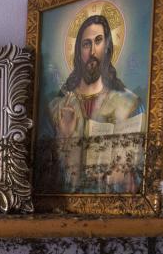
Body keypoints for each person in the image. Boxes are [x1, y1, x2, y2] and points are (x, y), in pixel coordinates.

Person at [43, 14, 145, 192]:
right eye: (86, 44)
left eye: (98, 41)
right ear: (78, 51)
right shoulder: (56, 107)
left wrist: (126, 173)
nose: (92, 52)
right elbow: (42, 174)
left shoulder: (130, 104)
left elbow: (142, 170)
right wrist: (63, 136)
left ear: (107, 47)